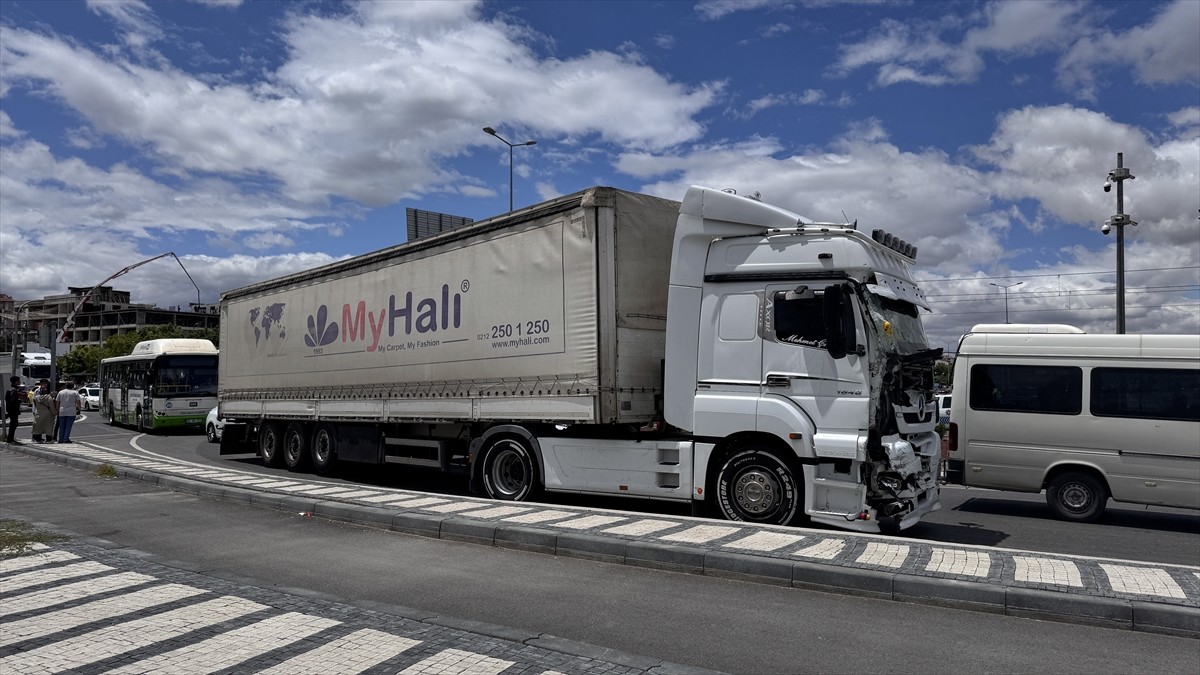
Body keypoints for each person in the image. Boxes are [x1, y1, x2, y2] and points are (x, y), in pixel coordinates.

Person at [4, 376, 20, 443]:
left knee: (13, 424)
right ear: (16, 382)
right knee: (14, 424)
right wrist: (18, 401)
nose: (20, 382)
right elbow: (13, 401)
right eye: (19, 380)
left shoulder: (10, 389)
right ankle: (10, 439)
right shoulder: (14, 390)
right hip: (13, 411)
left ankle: (10, 439)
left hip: (10, 410)